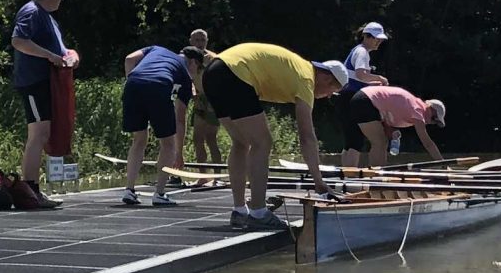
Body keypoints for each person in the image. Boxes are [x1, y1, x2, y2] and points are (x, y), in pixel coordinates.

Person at [201, 42, 345, 228]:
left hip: (213, 72)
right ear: (326, 78)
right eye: (332, 91)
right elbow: (307, 137)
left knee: (241, 142)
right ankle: (258, 213)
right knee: (262, 142)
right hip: (236, 73)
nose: (328, 96)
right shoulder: (306, 79)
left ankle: (240, 211)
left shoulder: (299, 67)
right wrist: (318, 181)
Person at [9, 0, 78, 206]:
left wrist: (71, 56)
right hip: (34, 82)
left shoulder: (48, 18)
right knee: (38, 134)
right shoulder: (31, 12)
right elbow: (19, 41)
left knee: (44, 134)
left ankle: (33, 190)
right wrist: (50, 56)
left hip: (48, 82)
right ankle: (29, 190)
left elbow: (62, 49)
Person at [116, 40, 194, 205]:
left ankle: (129, 190)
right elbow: (180, 119)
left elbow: (129, 59)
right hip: (159, 85)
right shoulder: (185, 74)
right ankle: (159, 193)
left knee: (139, 140)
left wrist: (132, 80)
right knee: (168, 144)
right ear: (193, 63)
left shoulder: (155, 48)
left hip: (133, 84)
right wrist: (179, 152)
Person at [350, 84, 449, 162]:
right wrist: (442, 163)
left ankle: (376, 173)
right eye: (433, 118)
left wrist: (391, 131)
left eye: (435, 122)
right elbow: (427, 143)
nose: (430, 122)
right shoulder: (418, 110)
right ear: (429, 107)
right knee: (380, 142)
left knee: (377, 142)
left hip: (362, 98)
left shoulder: (412, 104)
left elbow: (384, 118)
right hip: (366, 100)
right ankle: (376, 176)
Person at [183, 29, 222, 166]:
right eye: (197, 40)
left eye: (202, 40)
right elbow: (189, 78)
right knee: (197, 139)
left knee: (211, 138)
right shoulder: (187, 57)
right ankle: (202, 173)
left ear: (207, 42)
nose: (200, 43)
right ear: (191, 41)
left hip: (212, 100)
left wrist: (205, 64)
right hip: (199, 100)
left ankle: (217, 173)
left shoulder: (212, 58)